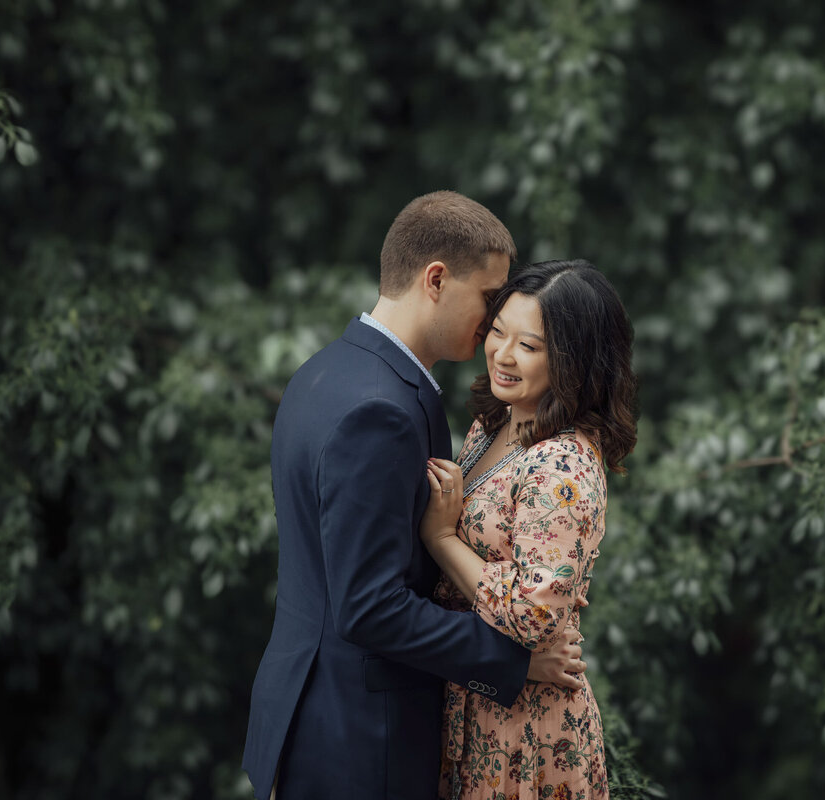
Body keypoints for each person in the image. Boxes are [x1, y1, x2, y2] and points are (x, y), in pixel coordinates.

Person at [241, 193, 589, 800]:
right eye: (488, 298)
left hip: (309, 713)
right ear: (435, 280)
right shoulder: (382, 411)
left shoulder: (326, 370)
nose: (492, 321)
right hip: (357, 738)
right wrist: (514, 663)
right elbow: (369, 606)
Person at [420, 259, 638, 800]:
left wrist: (442, 540)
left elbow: (533, 614)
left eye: (530, 346)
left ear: (575, 361)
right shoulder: (491, 424)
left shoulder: (562, 464)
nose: (503, 355)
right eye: (498, 332)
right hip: (477, 697)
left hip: (526, 729)